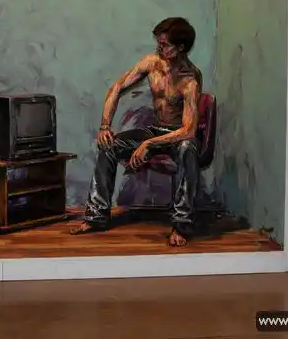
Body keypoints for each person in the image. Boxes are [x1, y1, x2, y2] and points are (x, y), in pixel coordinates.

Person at [70, 17, 202, 247]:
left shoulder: (190, 79)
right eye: (158, 43)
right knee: (108, 145)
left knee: (187, 149)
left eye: (165, 45)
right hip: (155, 131)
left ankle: (181, 224)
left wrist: (148, 145)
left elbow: (188, 130)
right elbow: (117, 87)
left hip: (177, 135)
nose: (159, 48)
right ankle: (96, 216)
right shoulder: (151, 63)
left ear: (180, 47)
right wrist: (105, 126)